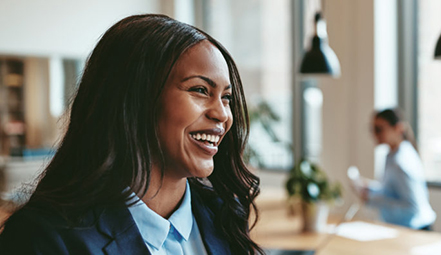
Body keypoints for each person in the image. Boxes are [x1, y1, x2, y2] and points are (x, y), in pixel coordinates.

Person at [0, 14, 264, 255]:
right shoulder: (43, 238)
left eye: (226, 97)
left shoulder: (224, 217)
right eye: (200, 90)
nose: (222, 114)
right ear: (135, 100)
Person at [360, 109, 436, 230]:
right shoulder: (391, 155)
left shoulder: (401, 160)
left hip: (417, 229)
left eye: (379, 129)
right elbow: (391, 192)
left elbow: (412, 208)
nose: (375, 134)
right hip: (403, 228)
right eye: (372, 129)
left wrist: (373, 200)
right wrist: (370, 190)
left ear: (398, 128)